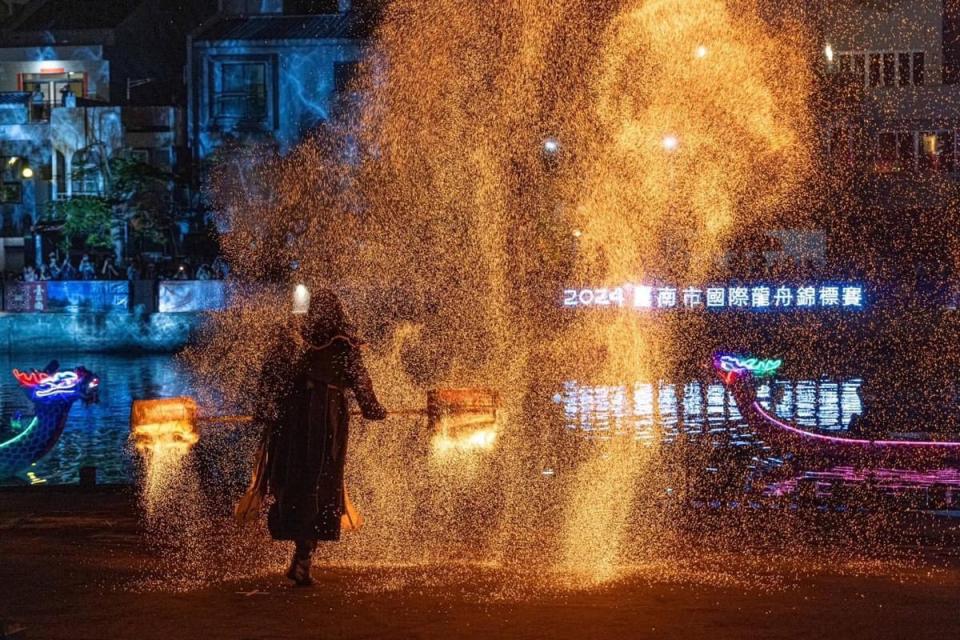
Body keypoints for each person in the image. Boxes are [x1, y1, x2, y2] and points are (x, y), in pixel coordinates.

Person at [261, 287, 387, 587]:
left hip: (292, 424)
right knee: (319, 483)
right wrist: (373, 408)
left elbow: (270, 379)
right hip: (323, 423)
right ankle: (303, 560)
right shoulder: (343, 342)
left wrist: (264, 411)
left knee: (298, 484)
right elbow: (359, 380)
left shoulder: (295, 339)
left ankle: (302, 559)